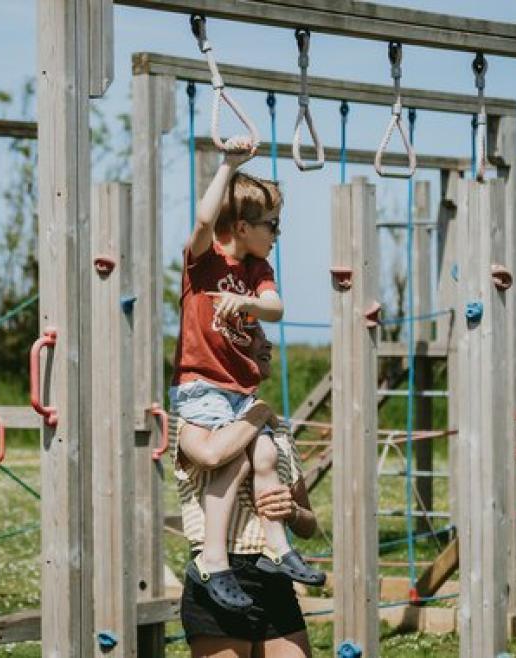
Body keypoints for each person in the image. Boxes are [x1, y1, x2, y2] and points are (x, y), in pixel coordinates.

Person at [168, 135, 323, 613]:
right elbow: (202, 219)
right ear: (241, 225)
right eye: (272, 225)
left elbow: (275, 307)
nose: (277, 233)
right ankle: (213, 557)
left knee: (263, 452)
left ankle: (277, 546)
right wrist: (228, 166)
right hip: (203, 387)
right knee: (234, 457)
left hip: (238, 393)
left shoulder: (258, 270)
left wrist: (251, 303)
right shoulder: (204, 262)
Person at [174, 325, 317, 658]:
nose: (266, 342)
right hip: (220, 573)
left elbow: (310, 526)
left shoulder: (278, 430)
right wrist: (260, 411)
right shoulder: (193, 418)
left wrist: (292, 512)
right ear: (220, 350)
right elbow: (213, 455)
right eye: (252, 334)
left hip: (273, 574)